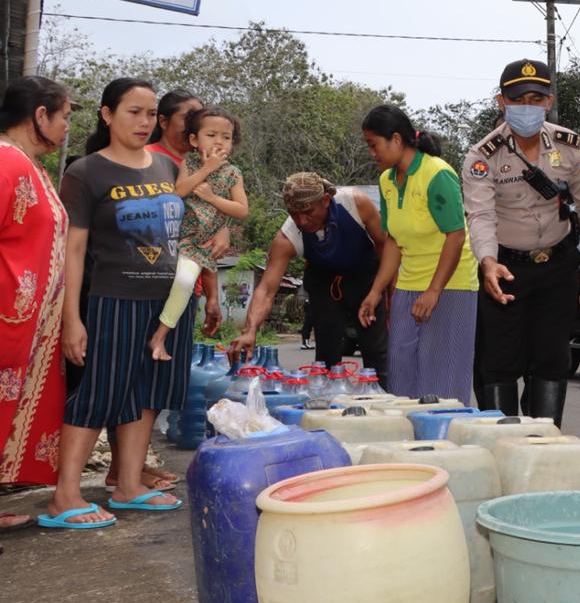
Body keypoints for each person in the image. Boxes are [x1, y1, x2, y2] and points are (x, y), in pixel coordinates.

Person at [44, 78, 187, 529]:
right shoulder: (86, 172)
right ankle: (64, 496)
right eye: (133, 112)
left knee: (145, 395)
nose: (144, 122)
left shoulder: (165, 168)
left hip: (164, 305)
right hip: (112, 300)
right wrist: (72, 320)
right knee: (97, 394)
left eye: (150, 114)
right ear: (107, 115)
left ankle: (128, 485)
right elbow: (73, 251)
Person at [461, 59, 580, 424]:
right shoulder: (482, 156)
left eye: (537, 98)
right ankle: (503, 440)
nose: (528, 107)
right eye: (519, 99)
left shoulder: (570, 145)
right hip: (506, 269)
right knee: (499, 361)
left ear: (549, 101)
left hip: (557, 266)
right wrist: (488, 262)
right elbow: (481, 215)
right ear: (501, 102)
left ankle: (545, 439)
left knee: (552, 358)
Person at [359, 106, 478, 401]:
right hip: (409, 287)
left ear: (396, 139)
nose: (372, 153)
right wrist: (375, 292)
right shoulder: (387, 181)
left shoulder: (437, 173)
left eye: (374, 145)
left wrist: (434, 290)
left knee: (441, 384)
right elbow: (393, 243)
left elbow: (456, 234)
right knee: (402, 378)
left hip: (450, 287)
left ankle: (442, 443)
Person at [0, 77, 73, 532]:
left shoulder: (32, 166)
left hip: (26, 324)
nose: (67, 126)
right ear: (39, 116)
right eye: (63, 116)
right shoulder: (6, 163)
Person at [230, 173, 388, 381]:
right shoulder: (287, 237)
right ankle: (328, 402)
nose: (301, 221)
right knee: (326, 356)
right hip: (323, 283)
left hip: (365, 278)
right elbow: (266, 290)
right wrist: (250, 331)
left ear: (325, 200)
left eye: (308, 212)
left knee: (376, 350)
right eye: (293, 214)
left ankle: (384, 400)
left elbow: (384, 245)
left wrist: (385, 290)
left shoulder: (355, 203)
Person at [150, 107, 248, 361]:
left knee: (185, 282)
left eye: (226, 137)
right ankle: (160, 337)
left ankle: (159, 337)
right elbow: (179, 191)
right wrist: (206, 170)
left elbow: (241, 210)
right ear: (194, 140)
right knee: (178, 283)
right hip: (181, 236)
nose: (219, 142)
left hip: (202, 244)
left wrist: (212, 197)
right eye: (212, 135)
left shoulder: (233, 173)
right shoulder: (190, 163)